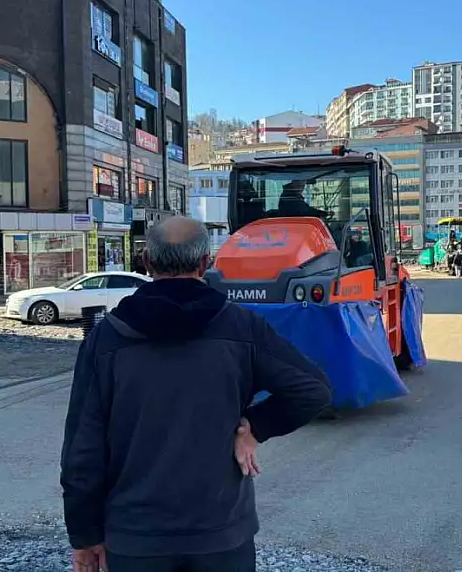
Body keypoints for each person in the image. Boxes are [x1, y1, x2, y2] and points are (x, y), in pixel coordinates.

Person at [61, 216, 332, 572]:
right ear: (206, 262)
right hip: (221, 538)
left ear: (146, 261)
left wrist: (84, 537)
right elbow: (313, 390)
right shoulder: (241, 326)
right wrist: (254, 426)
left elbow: (83, 450)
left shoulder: (107, 338)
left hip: (136, 539)